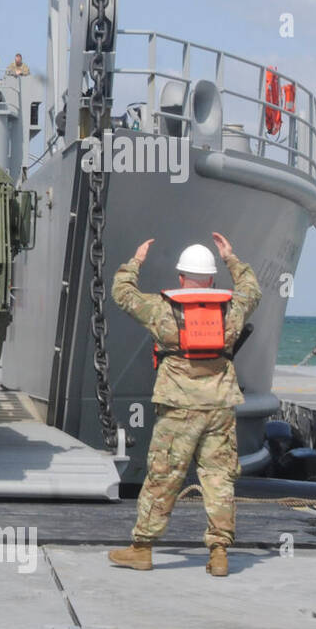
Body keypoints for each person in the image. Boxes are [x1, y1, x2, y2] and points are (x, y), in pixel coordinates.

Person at [108, 232, 260, 577]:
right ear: (211, 278)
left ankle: (142, 549)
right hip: (220, 406)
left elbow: (122, 294)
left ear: (180, 278)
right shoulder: (232, 310)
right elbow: (252, 289)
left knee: (164, 476)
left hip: (178, 407)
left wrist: (135, 261)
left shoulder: (162, 310)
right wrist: (231, 258)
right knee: (219, 477)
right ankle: (219, 553)